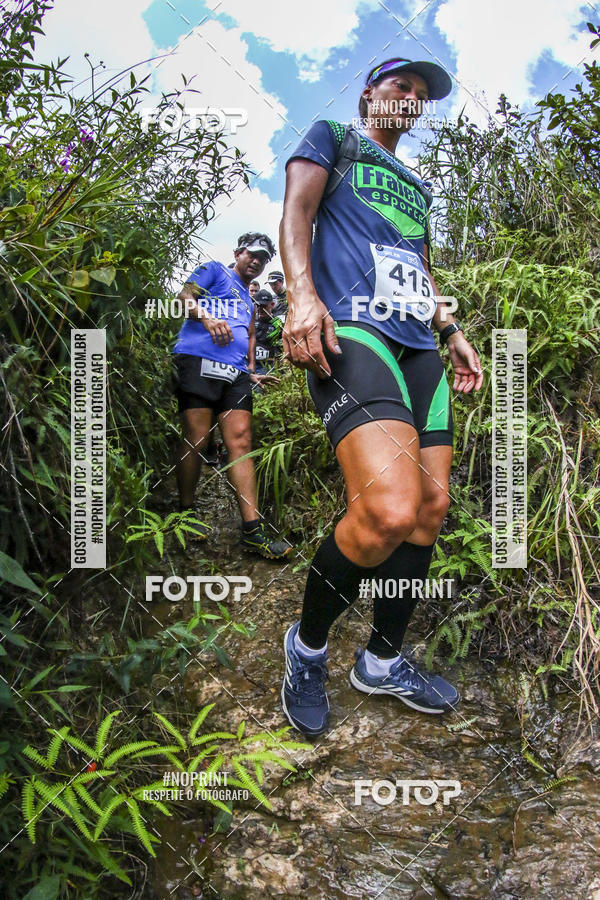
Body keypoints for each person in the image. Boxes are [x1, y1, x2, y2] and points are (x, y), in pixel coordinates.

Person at [279, 58, 484, 735]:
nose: (412, 99)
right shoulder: (333, 138)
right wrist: (301, 298)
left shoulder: (417, 186)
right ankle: (306, 648)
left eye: (422, 96)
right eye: (401, 86)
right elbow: (298, 211)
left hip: (417, 347)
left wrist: (450, 330)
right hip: (353, 331)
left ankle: (382, 661)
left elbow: (419, 264)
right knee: (390, 508)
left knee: (429, 509)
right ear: (371, 93)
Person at [172, 233, 293, 560]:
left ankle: (253, 531)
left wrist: (250, 372)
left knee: (240, 441)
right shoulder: (213, 270)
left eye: (264, 258)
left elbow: (248, 334)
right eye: (253, 254)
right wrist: (207, 317)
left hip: (236, 373)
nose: (257, 261)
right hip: (197, 360)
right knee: (197, 436)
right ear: (238, 252)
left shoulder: (248, 299)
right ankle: (185, 512)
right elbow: (183, 296)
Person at [253, 288, 282, 374]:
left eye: (263, 306)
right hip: (250, 364)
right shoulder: (250, 321)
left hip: (269, 365)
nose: (260, 309)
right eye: (257, 306)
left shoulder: (278, 324)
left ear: (272, 305)